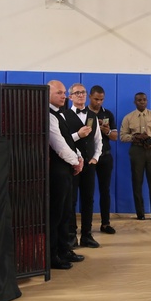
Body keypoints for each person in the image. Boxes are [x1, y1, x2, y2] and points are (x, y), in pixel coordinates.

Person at [47, 80, 86, 270]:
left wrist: (78, 156)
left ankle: (64, 249)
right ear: (47, 94)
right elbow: (58, 145)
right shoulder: (48, 115)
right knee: (56, 214)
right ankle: (52, 254)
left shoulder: (60, 114)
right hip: (57, 172)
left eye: (64, 93)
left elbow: (68, 140)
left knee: (66, 213)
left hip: (67, 170)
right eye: (59, 93)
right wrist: (76, 161)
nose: (63, 96)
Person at [63, 83, 102, 248]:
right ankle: (71, 235)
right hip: (71, 165)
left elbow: (98, 139)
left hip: (89, 165)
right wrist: (78, 135)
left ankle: (87, 234)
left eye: (83, 92)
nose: (81, 95)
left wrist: (96, 158)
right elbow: (62, 141)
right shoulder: (64, 115)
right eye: (77, 93)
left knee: (88, 200)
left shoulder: (92, 116)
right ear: (70, 97)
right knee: (71, 201)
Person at [119, 92, 151, 221]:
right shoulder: (128, 118)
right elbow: (122, 136)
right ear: (135, 102)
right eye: (139, 100)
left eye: (144, 100)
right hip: (137, 151)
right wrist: (135, 137)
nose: (142, 102)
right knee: (137, 181)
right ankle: (140, 213)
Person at [87, 85, 118, 232]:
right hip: (88, 158)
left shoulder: (108, 114)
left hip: (105, 157)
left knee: (105, 190)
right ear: (89, 97)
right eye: (96, 99)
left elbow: (115, 136)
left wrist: (106, 131)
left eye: (101, 99)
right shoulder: (83, 113)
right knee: (88, 191)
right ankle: (86, 226)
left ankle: (105, 223)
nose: (99, 102)